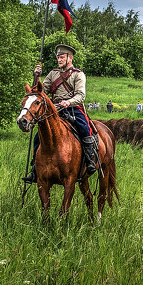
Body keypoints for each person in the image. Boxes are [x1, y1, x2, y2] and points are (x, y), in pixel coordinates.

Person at [24, 44, 98, 183]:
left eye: (62, 57)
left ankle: (89, 162)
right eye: (58, 57)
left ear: (70, 58)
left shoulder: (78, 74)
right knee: (38, 138)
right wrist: (37, 76)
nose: (59, 59)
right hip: (54, 110)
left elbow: (81, 96)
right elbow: (40, 91)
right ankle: (35, 169)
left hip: (73, 108)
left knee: (84, 129)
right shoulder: (53, 74)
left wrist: (68, 102)